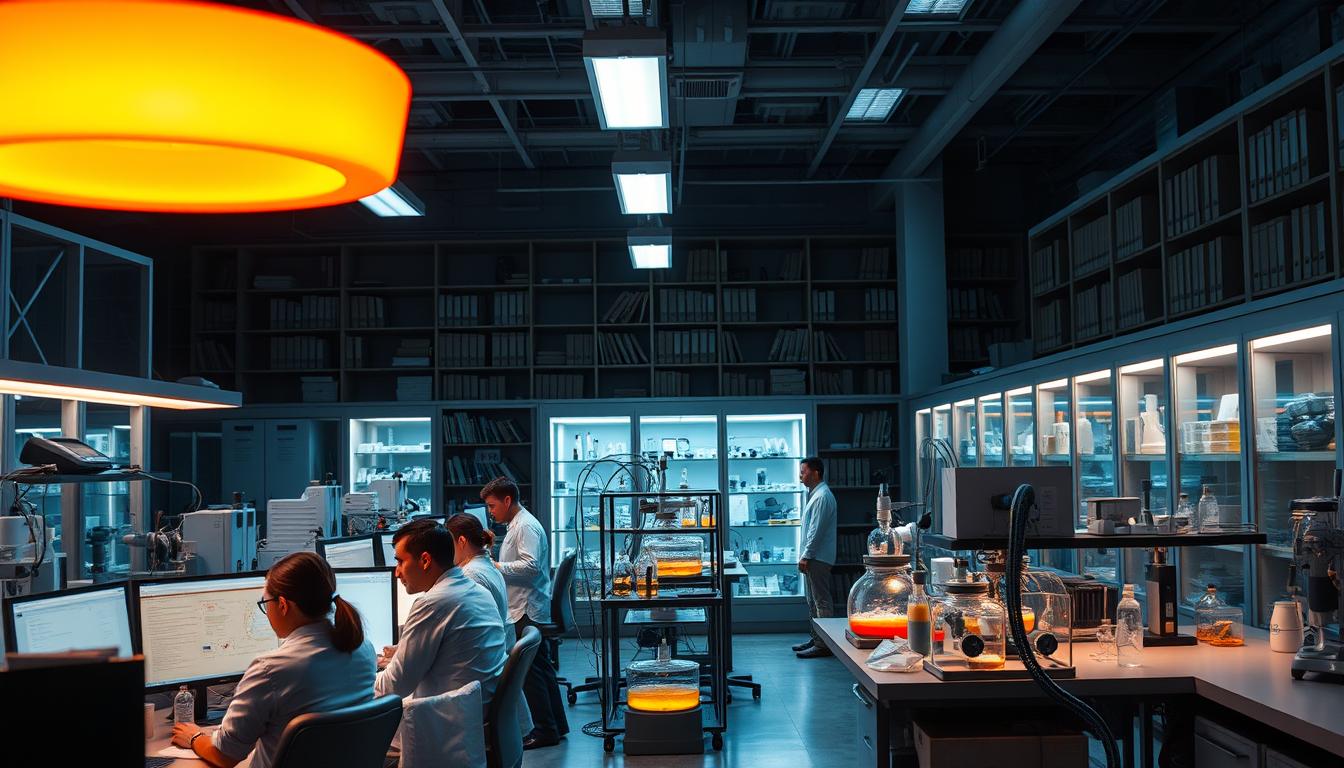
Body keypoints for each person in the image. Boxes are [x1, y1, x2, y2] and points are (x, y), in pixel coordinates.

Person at [171, 552, 376, 768]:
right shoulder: (363, 649)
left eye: (265, 603)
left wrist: (194, 737)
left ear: (283, 605)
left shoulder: (271, 669)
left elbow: (226, 755)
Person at [375, 519, 508, 703]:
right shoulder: (477, 591)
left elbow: (395, 685)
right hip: (478, 709)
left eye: (400, 562)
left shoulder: (432, 604)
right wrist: (399, 655)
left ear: (425, 560)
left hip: (447, 720)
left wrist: (353, 680)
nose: (397, 572)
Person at [483, 476, 569, 749]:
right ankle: (556, 725)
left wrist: (496, 567)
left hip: (526, 608)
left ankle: (545, 730)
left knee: (531, 674)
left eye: (493, 505)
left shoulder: (525, 527)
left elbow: (530, 567)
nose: (490, 511)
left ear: (508, 500)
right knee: (541, 669)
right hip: (526, 604)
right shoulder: (516, 524)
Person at [795, 456, 837, 658]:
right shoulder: (816, 495)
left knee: (821, 601)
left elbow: (816, 531)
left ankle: (824, 644)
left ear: (815, 473)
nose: (800, 476)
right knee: (813, 601)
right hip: (814, 557)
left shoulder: (822, 496)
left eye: (803, 472)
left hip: (817, 558)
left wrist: (806, 555)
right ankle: (817, 638)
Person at [446, 512, 509, 628]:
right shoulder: (486, 563)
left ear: (462, 541)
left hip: (493, 643)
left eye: (449, 543)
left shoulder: (470, 574)